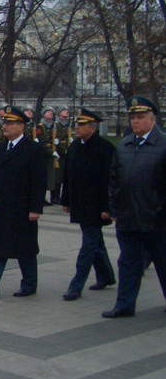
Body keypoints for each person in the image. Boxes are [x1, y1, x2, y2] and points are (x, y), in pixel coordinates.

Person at [103, 96, 166, 318]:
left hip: (157, 220)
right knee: (128, 264)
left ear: (152, 119)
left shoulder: (163, 145)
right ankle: (124, 305)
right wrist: (114, 209)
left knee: (163, 263)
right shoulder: (124, 145)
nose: (135, 121)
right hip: (128, 218)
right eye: (132, 117)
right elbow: (114, 180)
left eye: (140, 117)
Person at [0, 105, 46, 299]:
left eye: (10, 123)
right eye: (4, 122)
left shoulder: (33, 149)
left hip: (22, 208)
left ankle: (29, 284)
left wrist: (36, 208)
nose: (5, 126)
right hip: (2, 207)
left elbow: (39, 182)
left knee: (25, 249)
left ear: (21, 126)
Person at [59, 108, 116, 301]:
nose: (77, 128)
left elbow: (109, 180)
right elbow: (68, 175)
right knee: (95, 242)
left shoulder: (105, 148)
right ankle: (106, 276)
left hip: (96, 206)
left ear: (93, 128)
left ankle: (76, 286)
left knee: (88, 246)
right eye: (77, 124)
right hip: (80, 203)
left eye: (82, 125)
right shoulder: (75, 146)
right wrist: (66, 200)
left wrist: (107, 207)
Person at [35, 106, 58, 205]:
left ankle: (47, 197)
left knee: (49, 177)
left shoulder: (53, 126)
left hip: (50, 154)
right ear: (43, 114)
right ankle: (41, 198)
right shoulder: (41, 126)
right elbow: (41, 142)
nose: (50, 113)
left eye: (51, 112)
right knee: (42, 176)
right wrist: (50, 152)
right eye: (48, 112)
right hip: (43, 154)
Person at [53, 106, 72, 204]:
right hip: (59, 152)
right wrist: (63, 149)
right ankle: (55, 197)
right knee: (58, 176)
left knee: (64, 175)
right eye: (64, 110)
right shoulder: (57, 124)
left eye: (67, 110)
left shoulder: (66, 124)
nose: (66, 112)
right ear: (59, 113)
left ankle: (60, 196)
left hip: (66, 151)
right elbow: (56, 138)